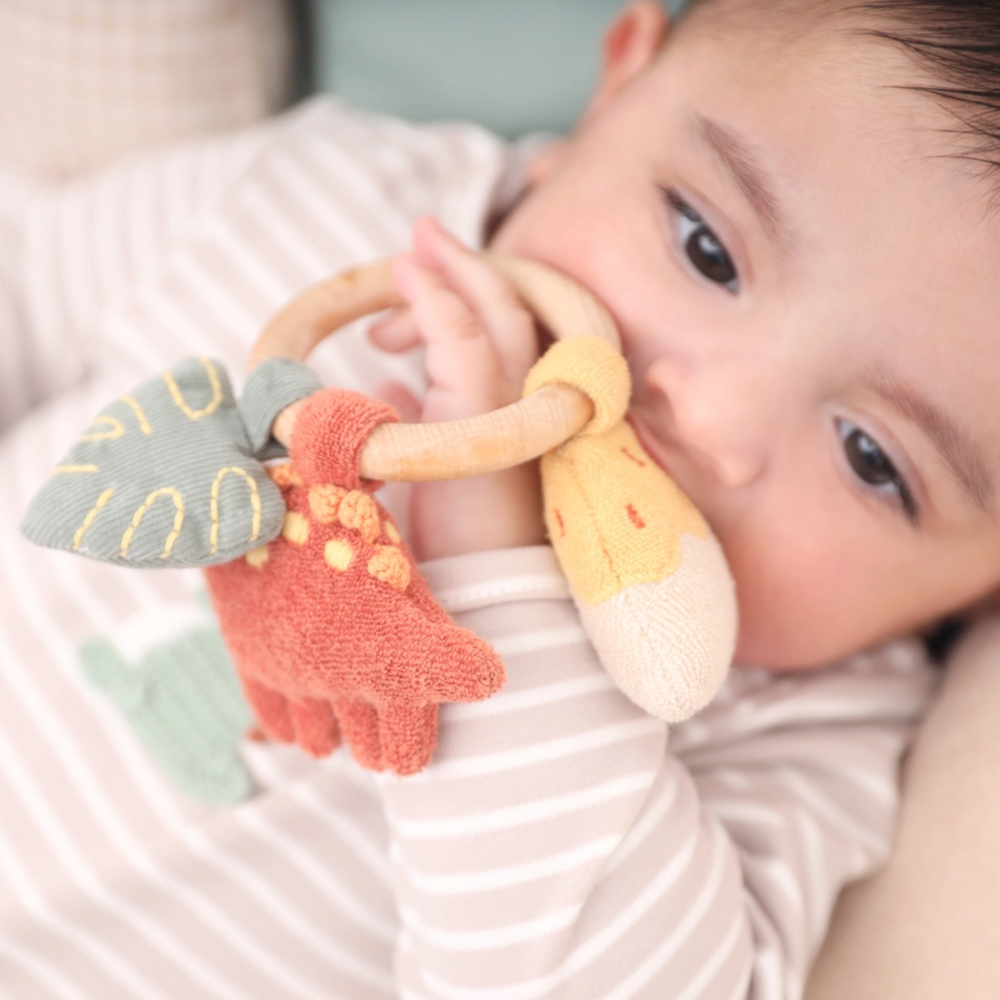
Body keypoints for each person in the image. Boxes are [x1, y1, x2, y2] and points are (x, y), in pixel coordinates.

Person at [0, 0, 997, 996]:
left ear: (973, 592)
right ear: (616, 89)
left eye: (874, 459)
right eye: (706, 249)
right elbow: (26, 290)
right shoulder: (324, 203)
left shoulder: (805, 725)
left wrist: (498, 576)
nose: (708, 418)